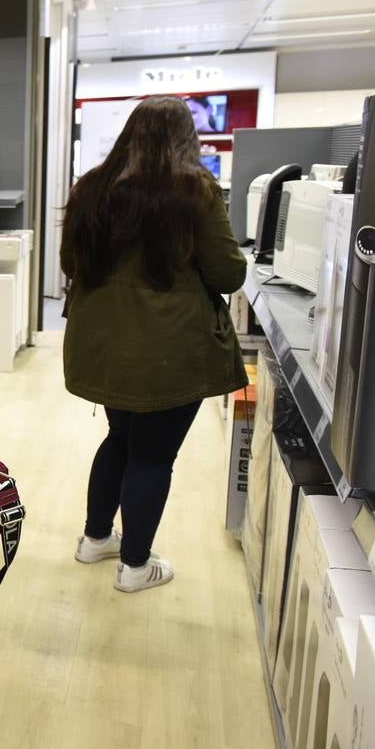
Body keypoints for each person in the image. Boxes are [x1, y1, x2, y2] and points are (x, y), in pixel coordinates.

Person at [62, 95, 247, 593]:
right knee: (152, 456)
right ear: (187, 138)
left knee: (120, 438)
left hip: (104, 344)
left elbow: (69, 263)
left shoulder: (93, 188)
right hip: (170, 350)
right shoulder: (195, 192)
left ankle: (96, 538)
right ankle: (135, 567)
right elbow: (229, 272)